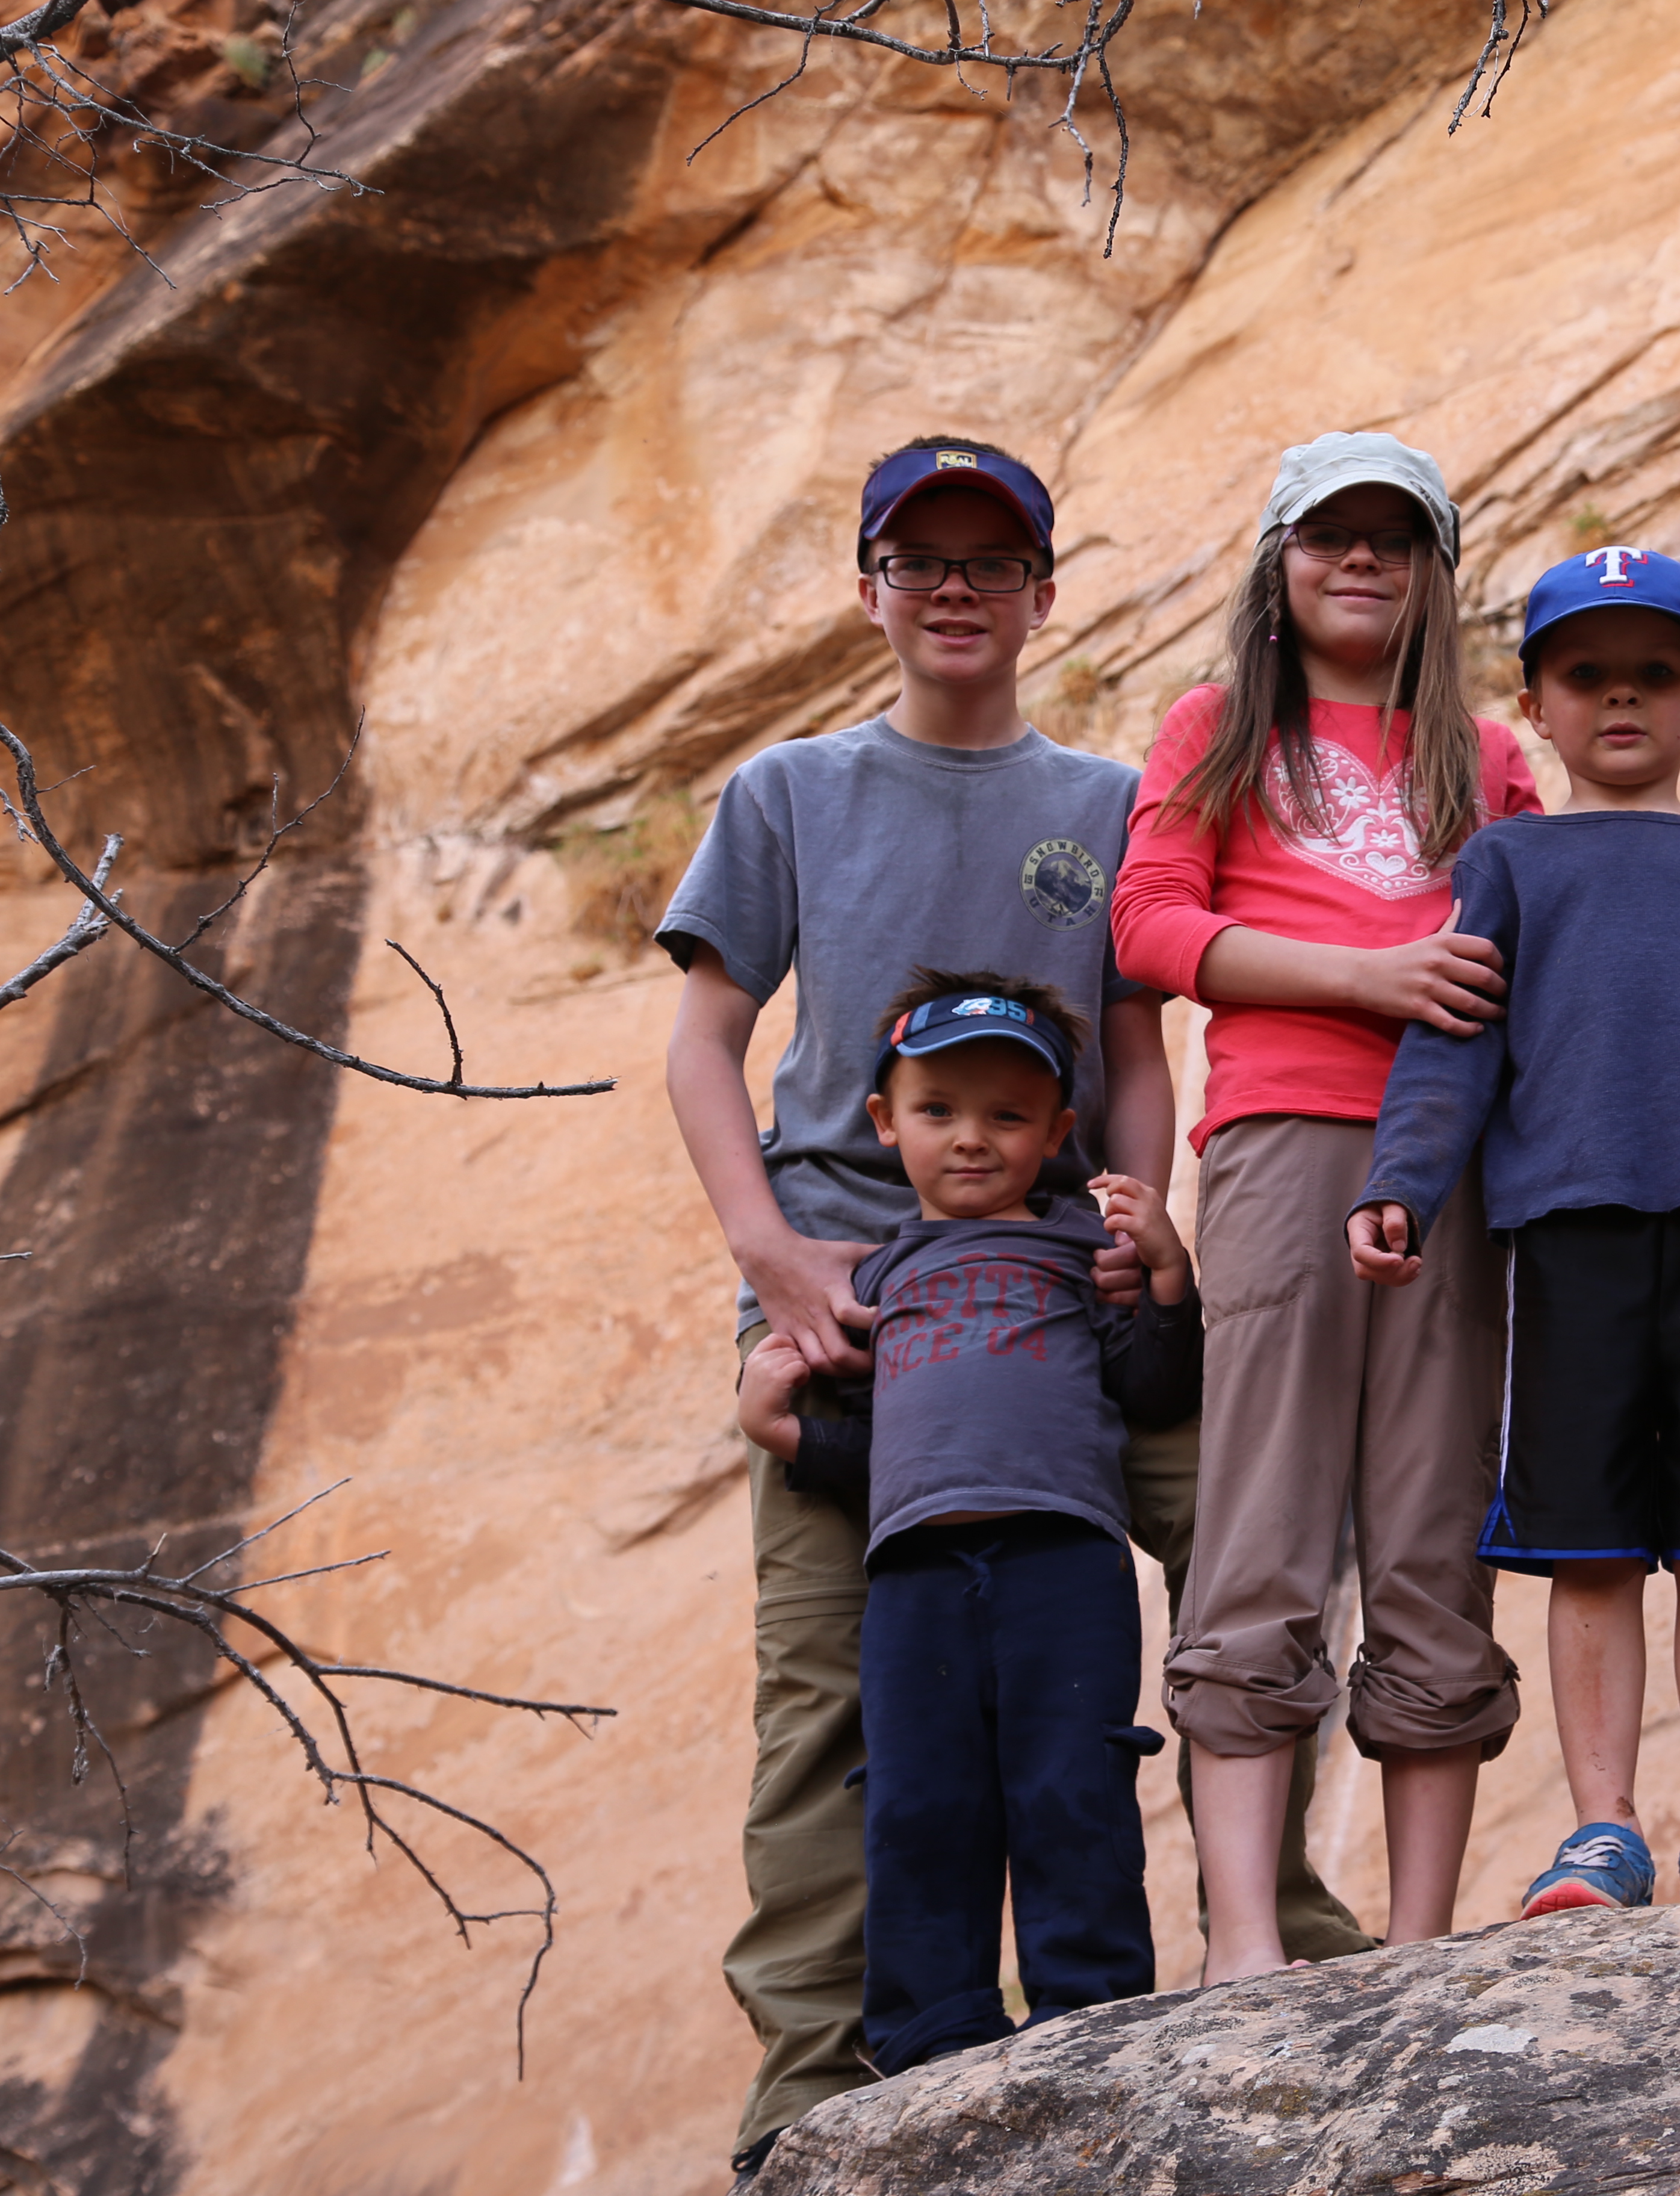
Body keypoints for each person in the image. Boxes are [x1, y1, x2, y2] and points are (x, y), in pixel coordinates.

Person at [657, 436, 1362, 2190]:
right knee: (831, 1686)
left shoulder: (1107, 799)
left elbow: (1135, 1049)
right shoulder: (789, 790)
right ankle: (821, 2083)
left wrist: (1152, 1230)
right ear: (874, 588)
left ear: (1046, 593)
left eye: (992, 560)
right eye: (922, 557)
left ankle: (1280, 1927)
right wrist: (769, 1266)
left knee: (1246, 1558)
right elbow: (701, 1042)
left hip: (1079, 1285)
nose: (956, 587)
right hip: (863, 1302)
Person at [1111, 432, 1680, 1983]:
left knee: (1437, 1525)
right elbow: (1153, 923)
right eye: (1327, 538)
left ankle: (1416, 1948)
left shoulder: (1489, 754)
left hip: (1481, 1166)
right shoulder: (1220, 728)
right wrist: (1367, 977)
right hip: (1290, 1132)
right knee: (1266, 1513)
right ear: (1276, 568)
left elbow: (1597, 853)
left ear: (1437, 575)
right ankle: (1240, 1941)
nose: (1359, 563)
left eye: (1395, 541)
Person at [1347, 544, 1680, 1918]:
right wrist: (1401, 1178)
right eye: (1588, 675)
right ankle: (1602, 1829)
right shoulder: (1510, 863)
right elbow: (1453, 1046)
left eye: (1659, 675)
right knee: (1586, 1542)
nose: (1624, 700)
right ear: (1536, 703)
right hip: (1568, 1237)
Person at [734, 973, 1189, 2073]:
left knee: (1071, 1783)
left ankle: (1090, 2010)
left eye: (1009, 1116)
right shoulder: (870, 1278)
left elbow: (1158, 1393)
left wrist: (1168, 1274)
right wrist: (787, 1435)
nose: (973, 1140)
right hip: (916, 1576)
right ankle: (932, 2033)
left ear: (1059, 1132)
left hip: (1065, 1561)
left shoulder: (1087, 1252)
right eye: (938, 1111)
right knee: (917, 1795)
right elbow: (882, 1451)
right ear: (887, 1123)